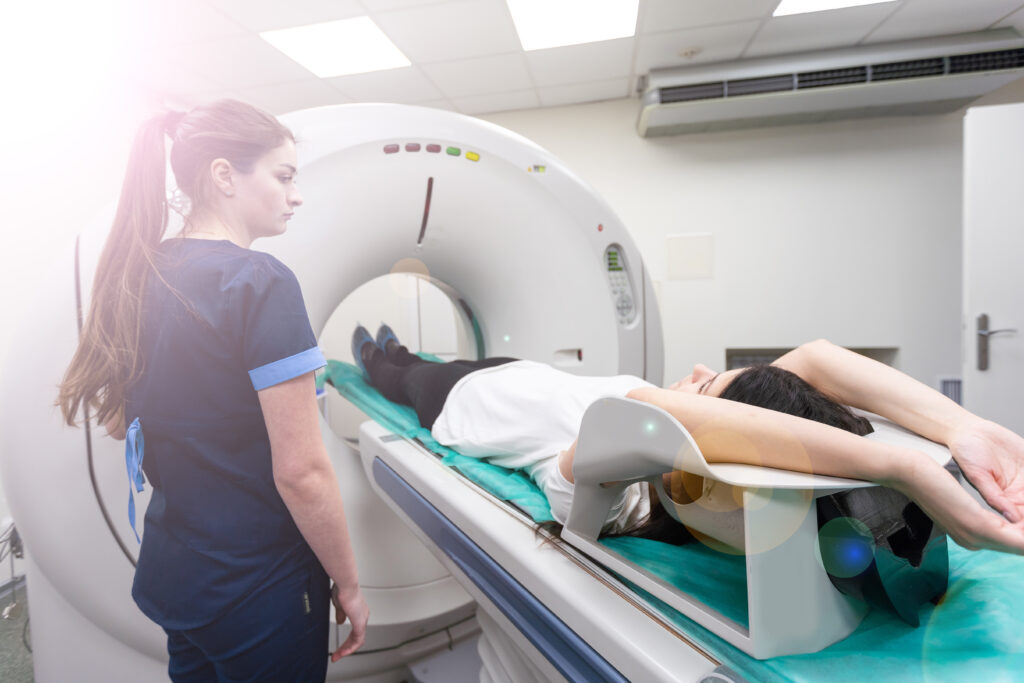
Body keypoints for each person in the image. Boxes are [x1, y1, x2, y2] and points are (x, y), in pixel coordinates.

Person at [57, 100, 368, 682]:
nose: (295, 195)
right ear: (224, 175)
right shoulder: (260, 281)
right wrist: (348, 582)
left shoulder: (140, 271)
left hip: (180, 572)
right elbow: (302, 472)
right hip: (259, 583)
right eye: (283, 176)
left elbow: (120, 423)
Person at [352, 325, 1024, 556]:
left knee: (397, 371)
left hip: (460, 403)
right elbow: (815, 359)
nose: (696, 372)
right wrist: (964, 428)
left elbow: (646, 411)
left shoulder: (611, 490)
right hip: (525, 373)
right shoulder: (668, 443)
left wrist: (904, 468)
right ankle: (398, 348)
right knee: (428, 356)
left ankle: (382, 357)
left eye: (703, 388)